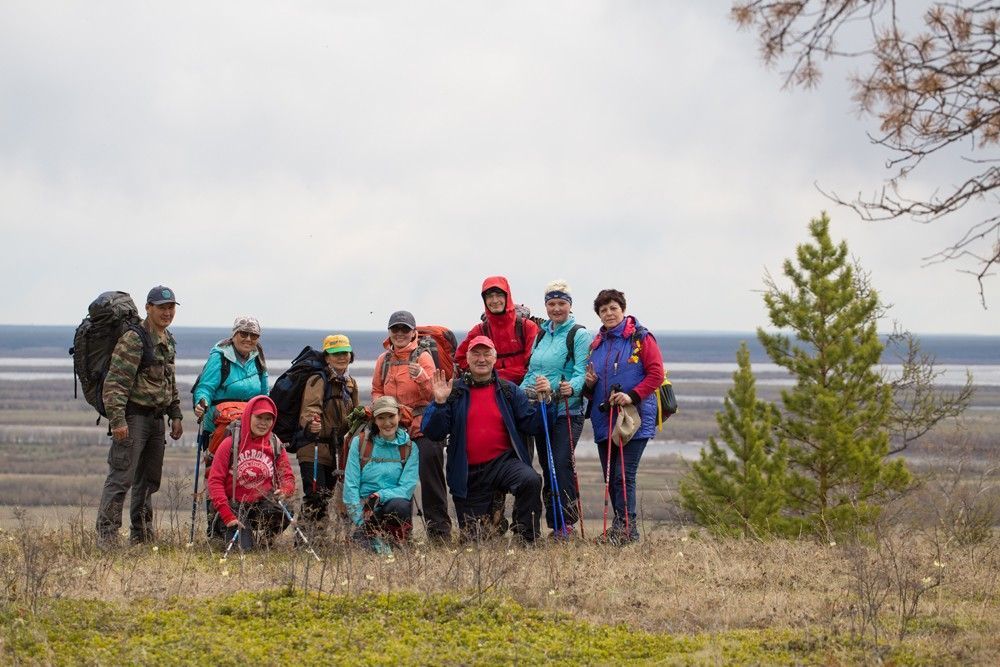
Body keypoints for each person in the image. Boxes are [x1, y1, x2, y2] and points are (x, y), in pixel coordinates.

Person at [422, 336, 550, 544]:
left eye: (486, 354)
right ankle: (494, 522)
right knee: (475, 542)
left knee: (531, 480)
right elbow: (433, 432)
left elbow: (533, 425)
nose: (481, 359)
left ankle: (526, 538)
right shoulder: (452, 391)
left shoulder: (508, 390)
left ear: (494, 358)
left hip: (503, 464)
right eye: (476, 354)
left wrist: (546, 402)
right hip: (468, 472)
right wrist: (439, 402)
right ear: (467, 359)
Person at [96, 285, 184, 547]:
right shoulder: (134, 339)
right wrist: (118, 420)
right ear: (148, 308)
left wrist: (175, 413)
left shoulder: (167, 338)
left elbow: (169, 380)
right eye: (161, 307)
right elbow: (115, 384)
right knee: (121, 478)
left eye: (170, 307)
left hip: (157, 419)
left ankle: (142, 535)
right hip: (134, 418)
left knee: (148, 481)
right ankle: (108, 537)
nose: (167, 312)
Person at [583, 289, 664, 544]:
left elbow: (656, 374)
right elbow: (591, 389)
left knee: (623, 474)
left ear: (623, 309)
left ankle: (627, 530)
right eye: (603, 310)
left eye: (613, 308)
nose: (608, 313)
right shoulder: (596, 343)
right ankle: (621, 528)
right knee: (611, 477)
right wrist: (589, 384)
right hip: (604, 419)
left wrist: (632, 396)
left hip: (633, 418)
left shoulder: (641, 338)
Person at [520, 279, 593, 538]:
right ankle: (555, 523)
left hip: (567, 409)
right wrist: (517, 395)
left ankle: (567, 524)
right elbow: (533, 370)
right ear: (546, 305)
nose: (556, 308)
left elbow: (581, 370)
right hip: (542, 408)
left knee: (560, 464)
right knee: (547, 464)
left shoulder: (579, 334)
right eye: (551, 303)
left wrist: (571, 387)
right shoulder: (542, 333)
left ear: (570, 305)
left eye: (561, 303)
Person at [372, 310, 451, 542]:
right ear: (389, 332)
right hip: (392, 429)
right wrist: (381, 407)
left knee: (431, 478)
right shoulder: (383, 360)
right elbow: (377, 389)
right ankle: (396, 533)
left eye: (404, 329)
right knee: (390, 479)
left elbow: (434, 394)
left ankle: (439, 534)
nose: (400, 334)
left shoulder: (423, 357)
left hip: (421, 428)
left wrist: (421, 377)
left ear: (413, 332)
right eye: (395, 329)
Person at [192, 315, 269, 538]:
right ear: (233, 335)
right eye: (243, 334)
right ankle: (214, 527)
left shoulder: (258, 358)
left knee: (245, 471)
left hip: (249, 425)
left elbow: (264, 395)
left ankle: (242, 524)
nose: (248, 339)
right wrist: (202, 403)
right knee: (217, 472)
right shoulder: (220, 357)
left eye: (253, 335)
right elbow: (205, 387)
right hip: (220, 424)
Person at [206, 395, 296, 551]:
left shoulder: (274, 443)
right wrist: (227, 516)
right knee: (245, 551)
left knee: (285, 509)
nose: (263, 423)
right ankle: (224, 531)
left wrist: (285, 490)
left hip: (260, 504)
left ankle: (266, 543)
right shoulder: (230, 443)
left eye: (268, 419)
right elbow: (215, 482)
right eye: (259, 417)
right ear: (249, 416)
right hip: (233, 505)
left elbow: (287, 476)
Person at [296, 334, 359, 538]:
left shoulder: (350, 384)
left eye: (344, 353)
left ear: (350, 355)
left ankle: (319, 539)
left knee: (326, 495)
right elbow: (310, 408)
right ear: (327, 357)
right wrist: (311, 423)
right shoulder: (318, 379)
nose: (341, 357)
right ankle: (305, 540)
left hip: (335, 449)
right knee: (315, 495)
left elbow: (354, 415)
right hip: (312, 446)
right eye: (335, 353)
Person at [342, 396, 419, 554]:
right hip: (364, 510)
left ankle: (393, 540)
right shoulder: (360, 443)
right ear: (374, 420)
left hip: (392, 504)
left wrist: (379, 495)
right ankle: (370, 537)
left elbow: (406, 488)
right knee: (363, 552)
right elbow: (351, 484)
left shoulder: (410, 448)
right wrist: (360, 520)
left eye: (391, 416)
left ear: (399, 415)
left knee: (401, 505)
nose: (387, 423)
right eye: (381, 418)